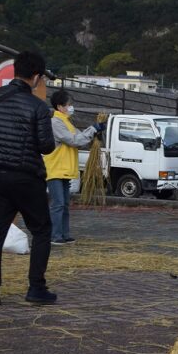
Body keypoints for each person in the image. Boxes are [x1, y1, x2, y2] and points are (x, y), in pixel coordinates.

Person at [0, 51, 57, 307]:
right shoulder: (38, 107)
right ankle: (36, 288)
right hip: (27, 176)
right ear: (36, 77)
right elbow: (46, 146)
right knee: (42, 230)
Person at [43, 90, 104, 245]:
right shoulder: (55, 123)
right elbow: (74, 140)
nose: (71, 107)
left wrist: (94, 133)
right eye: (68, 104)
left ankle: (64, 234)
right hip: (55, 169)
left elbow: (80, 139)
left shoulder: (67, 122)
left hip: (65, 169)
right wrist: (93, 129)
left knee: (64, 204)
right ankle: (55, 235)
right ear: (60, 107)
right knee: (58, 204)